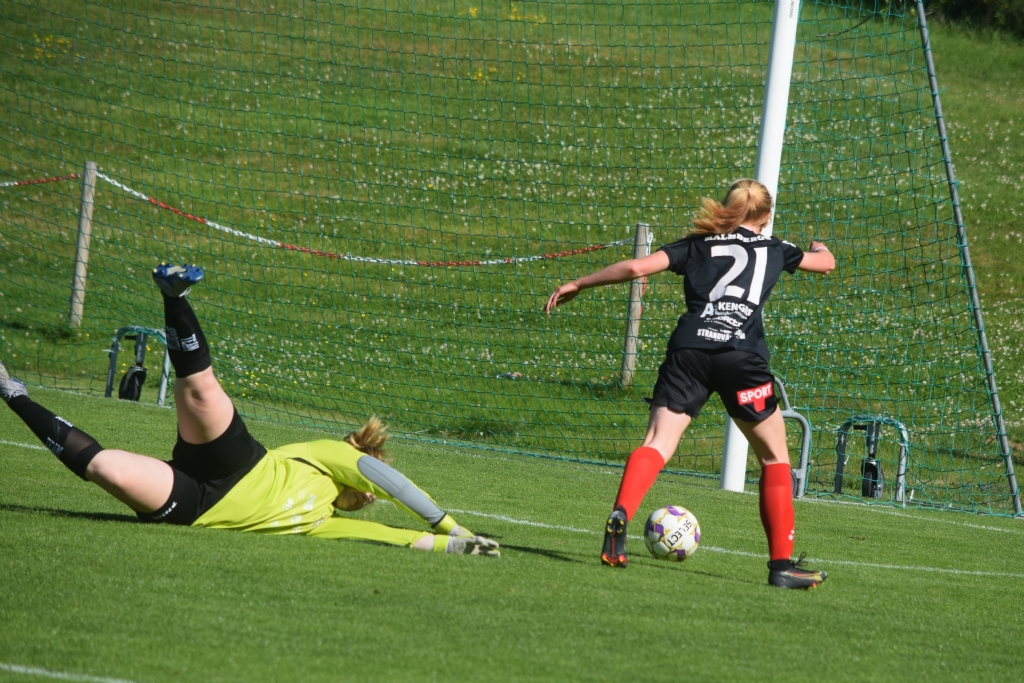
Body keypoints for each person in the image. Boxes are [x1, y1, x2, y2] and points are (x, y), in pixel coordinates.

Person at [0, 264, 499, 556]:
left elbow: (385, 537)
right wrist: (452, 527)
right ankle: (174, 296)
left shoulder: (320, 521)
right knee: (201, 391)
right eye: (367, 490)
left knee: (105, 468)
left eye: (367, 499)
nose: (370, 498)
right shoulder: (327, 456)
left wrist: (454, 548)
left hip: (197, 509)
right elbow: (392, 484)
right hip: (239, 463)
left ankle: (11, 392)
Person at [544, 179, 835, 588]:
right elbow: (826, 264)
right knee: (774, 459)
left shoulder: (696, 244)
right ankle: (781, 567)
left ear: (726, 207)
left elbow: (635, 268)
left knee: (657, 443)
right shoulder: (777, 248)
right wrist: (819, 248)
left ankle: (621, 514)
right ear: (767, 216)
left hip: (690, 350)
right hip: (742, 358)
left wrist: (579, 283)